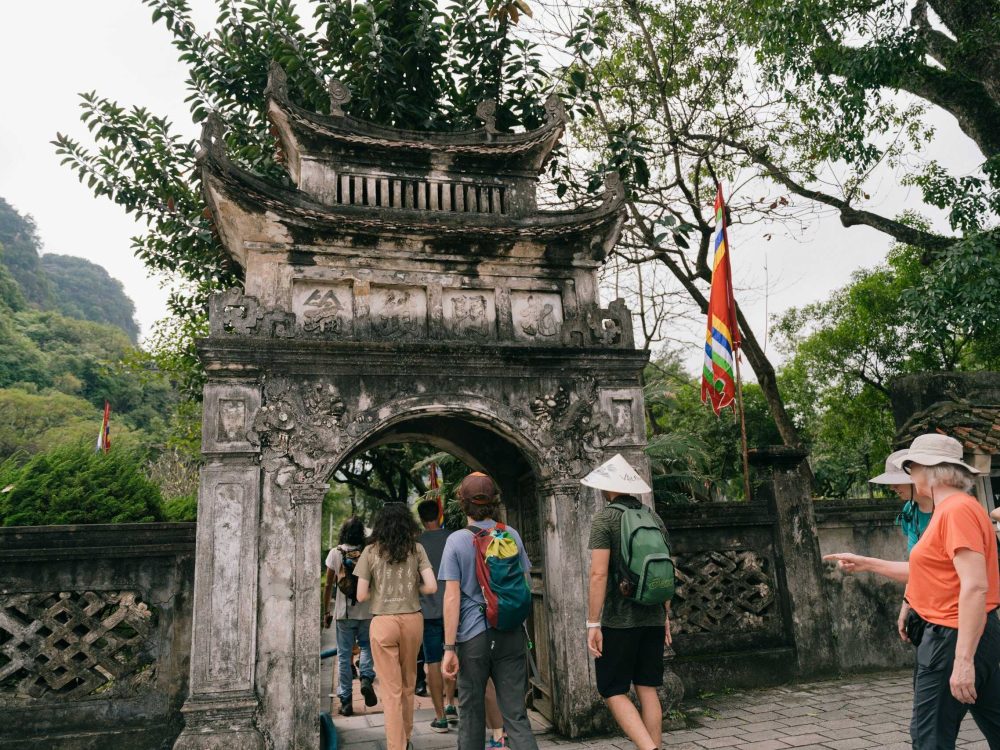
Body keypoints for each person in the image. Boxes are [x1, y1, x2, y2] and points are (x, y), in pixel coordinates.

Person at [825, 433, 1000, 749]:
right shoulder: (956, 508)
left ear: (929, 470)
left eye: (912, 467)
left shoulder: (955, 511)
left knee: (929, 737)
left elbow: (975, 586)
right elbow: (932, 571)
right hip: (971, 632)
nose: (910, 476)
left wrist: (963, 660)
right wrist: (867, 563)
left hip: (953, 635)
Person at [440, 472, 539, 750]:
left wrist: (449, 648)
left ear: (463, 503)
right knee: (516, 716)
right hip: (510, 633)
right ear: (494, 501)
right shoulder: (511, 535)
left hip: (474, 638)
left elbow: (451, 598)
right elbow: (526, 584)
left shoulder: (457, 540)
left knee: (471, 715)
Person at [585, 453, 671, 750]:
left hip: (618, 621)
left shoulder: (605, 518)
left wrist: (593, 623)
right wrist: (666, 615)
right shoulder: (653, 517)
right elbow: (666, 569)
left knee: (612, 689)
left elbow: (598, 573)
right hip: (654, 615)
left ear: (605, 489)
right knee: (647, 687)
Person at [355, 503, 438, 750]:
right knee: (408, 684)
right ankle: (408, 737)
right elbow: (432, 586)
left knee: (390, 692)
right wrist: (415, 589)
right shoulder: (417, 549)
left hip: (383, 623)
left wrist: (379, 593)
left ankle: (396, 746)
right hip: (413, 620)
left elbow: (360, 595)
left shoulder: (370, 551)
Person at [869, 450, 935, 647]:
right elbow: (914, 566)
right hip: (925, 605)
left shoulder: (950, 508)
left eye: (897, 480)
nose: (892, 487)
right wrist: (905, 609)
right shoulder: (910, 510)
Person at [323, 516, 376, 716]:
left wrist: (326, 611)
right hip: (367, 610)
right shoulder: (368, 552)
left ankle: (346, 701)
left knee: (344, 656)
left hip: (344, 614)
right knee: (366, 647)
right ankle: (366, 678)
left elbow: (329, 584)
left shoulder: (335, 553)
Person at [416, 498, 458, 733]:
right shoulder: (453, 538)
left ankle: (440, 717)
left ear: (421, 518)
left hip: (428, 610)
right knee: (451, 654)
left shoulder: (416, 543)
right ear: (440, 513)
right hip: (453, 609)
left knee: (432, 661)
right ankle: (452, 704)